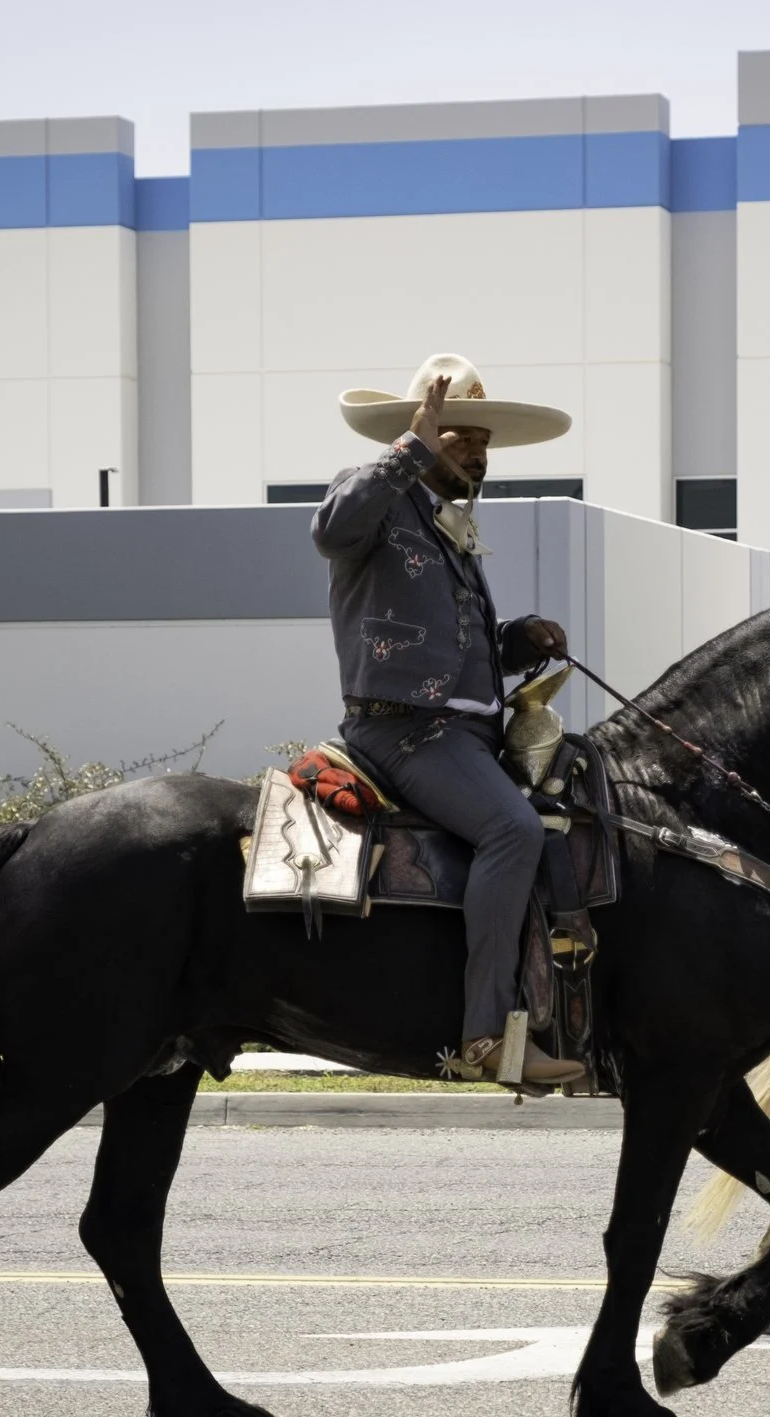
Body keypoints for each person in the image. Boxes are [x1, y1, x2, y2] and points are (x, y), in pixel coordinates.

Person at [310, 354, 586, 1089]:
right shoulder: (373, 498)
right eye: (461, 436)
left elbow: (450, 650)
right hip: (404, 732)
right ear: (423, 435)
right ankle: (485, 1039)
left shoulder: (447, 528)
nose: (478, 450)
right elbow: (332, 530)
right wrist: (412, 443)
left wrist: (518, 638)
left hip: (467, 735)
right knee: (512, 830)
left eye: (481, 440)